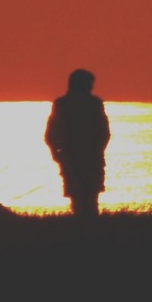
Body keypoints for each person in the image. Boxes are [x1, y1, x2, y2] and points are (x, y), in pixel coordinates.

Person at [45, 68, 111, 217]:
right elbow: (51, 134)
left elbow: (104, 132)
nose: (91, 87)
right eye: (88, 84)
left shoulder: (92, 103)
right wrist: (57, 154)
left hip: (87, 158)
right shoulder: (88, 104)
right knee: (82, 198)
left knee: (87, 197)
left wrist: (57, 154)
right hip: (76, 159)